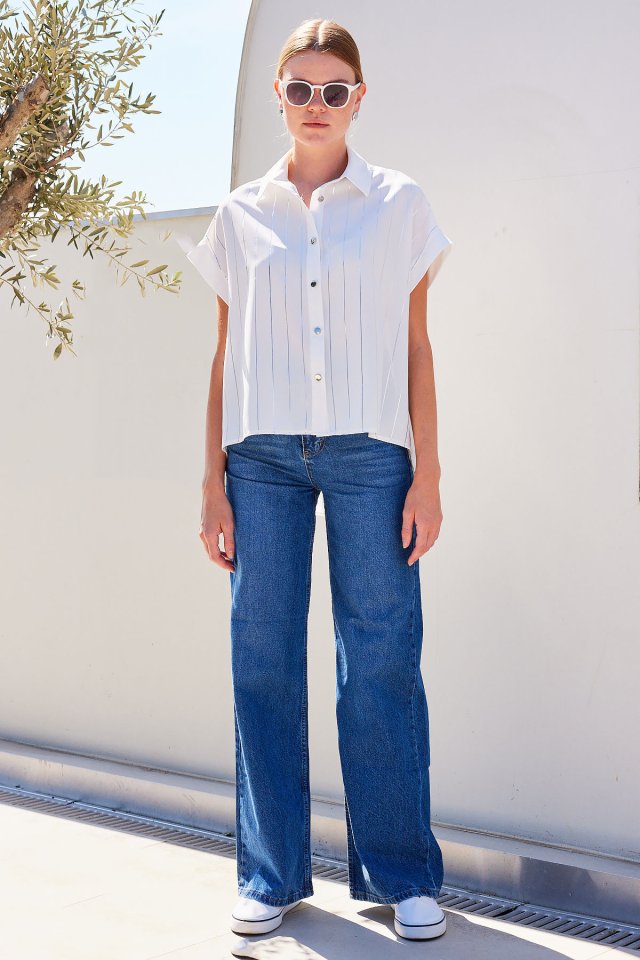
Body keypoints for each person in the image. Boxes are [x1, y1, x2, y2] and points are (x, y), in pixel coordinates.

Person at [182, 17, 453, 944]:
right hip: (259, 459)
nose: (316, 104)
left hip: (373, 454)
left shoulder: (400, 202)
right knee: (261, 658)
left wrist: (428, 472)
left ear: (358, 99)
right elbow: (223, 354)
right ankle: (270, 874)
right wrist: (211, 481)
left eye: (334, 90)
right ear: (279, 96)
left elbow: (417, 346)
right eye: (300, 88)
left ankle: (402, 876)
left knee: (379, 660)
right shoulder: (239, 214)